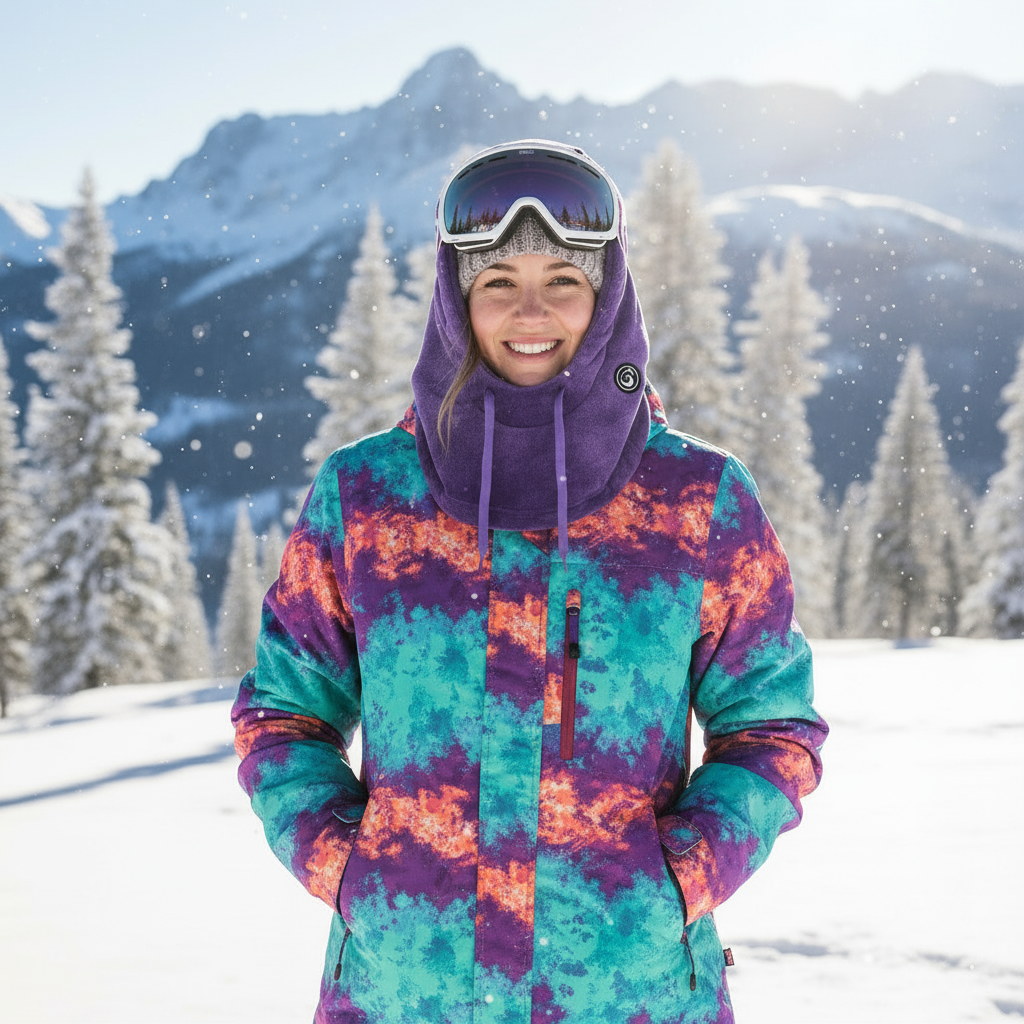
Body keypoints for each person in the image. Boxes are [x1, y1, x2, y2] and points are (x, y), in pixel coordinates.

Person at [232, 140, 827, 1024]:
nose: (530, 310)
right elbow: (284, 716)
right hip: (405, 995)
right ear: (457, 296)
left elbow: (773, 726)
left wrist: (678, 877)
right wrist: (355, 872)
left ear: (607, 294)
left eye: (565, 281)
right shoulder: (367, 497)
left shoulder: (693, 499)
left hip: (629, 995)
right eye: (498, 281)